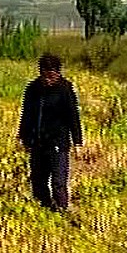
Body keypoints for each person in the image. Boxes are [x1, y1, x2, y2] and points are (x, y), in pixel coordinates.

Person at [17, 52, 82, 212]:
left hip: (58, 142)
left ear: (58, 74)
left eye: (52, 75)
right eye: (45, 75)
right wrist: (23, 137)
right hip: (37, 142)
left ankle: (62, 210)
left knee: (59, 181)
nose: (48, 79)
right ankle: (43, 209)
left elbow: (73, 115)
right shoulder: (32, 89)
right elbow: (26, 114)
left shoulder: (65, 89)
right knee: (38, 180)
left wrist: (78, 141)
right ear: (41, 72)